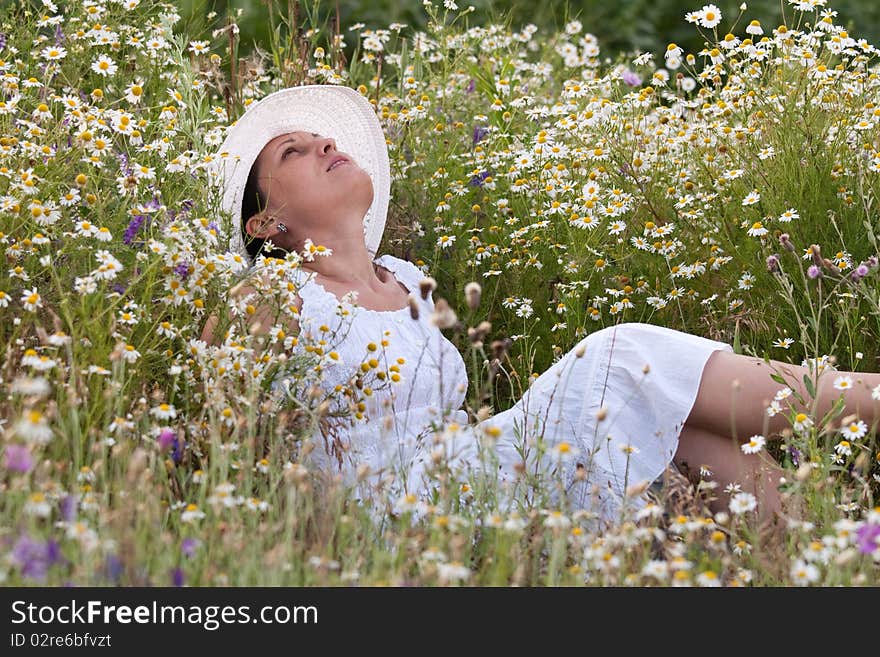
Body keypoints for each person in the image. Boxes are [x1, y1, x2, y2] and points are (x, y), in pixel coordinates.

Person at [203, 85, 879, 529]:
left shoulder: (411, 281)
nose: (324, 144)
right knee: (624, 356)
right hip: (394, 512)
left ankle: (816, 566)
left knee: (686, 426)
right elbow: (219, 437)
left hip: (462, 477)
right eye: (294, 151)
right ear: (265, 225)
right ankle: (865, 403)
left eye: (324, 139)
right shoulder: (270, 294)